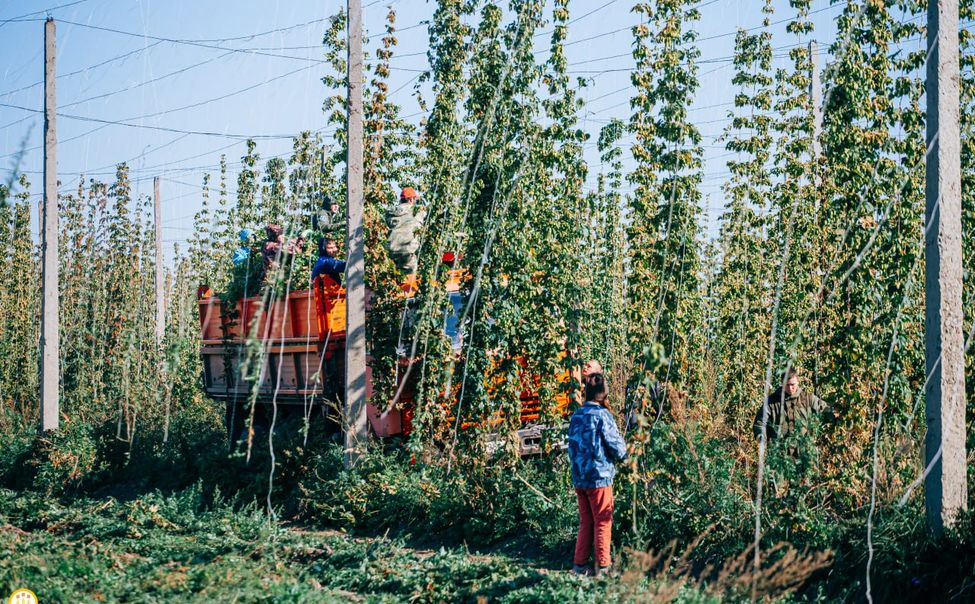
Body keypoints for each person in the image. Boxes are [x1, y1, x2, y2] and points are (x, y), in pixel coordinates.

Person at [568, 373, 627, 578]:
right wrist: (626, 456)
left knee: (586, 522)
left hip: (580, 478)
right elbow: (616, 447)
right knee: (603, 520)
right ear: (604, 393)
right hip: (599, 477)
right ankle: (602, 567)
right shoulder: (602, 415)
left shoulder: (576, 415)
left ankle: (579, 565)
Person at [753, 367, 830, 441]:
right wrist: (760, 435)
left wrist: (838, 413)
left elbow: (825, 409)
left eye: (792, 384)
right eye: (787, 385)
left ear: (798, 382)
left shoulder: (808, 398)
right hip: (778, 450)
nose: (790, 388)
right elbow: (760, 422)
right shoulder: (771, 402)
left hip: (803, 449)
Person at [385, 186, 426, 274]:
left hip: (391, 251)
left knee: (393, 280)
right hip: (408, 251)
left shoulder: (389, 213)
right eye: (415, 199)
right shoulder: (417, 212)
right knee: (409, 281)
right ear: (411, 199)